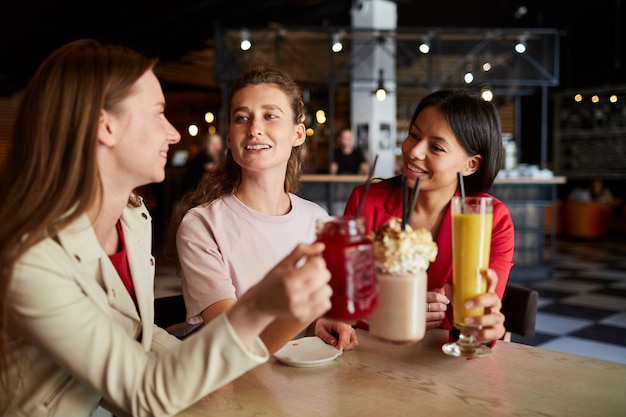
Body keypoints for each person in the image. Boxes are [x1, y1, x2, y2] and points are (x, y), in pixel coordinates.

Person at [0, 39, 334, 417]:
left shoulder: (132, 219)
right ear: (104, 127)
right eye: (158, 113)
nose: (173, 134)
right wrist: (261, 305)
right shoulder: (31, 262)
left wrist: (220, 373)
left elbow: (140, 340)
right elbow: (144, 394)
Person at [167, 65, 358, 354]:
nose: (254, 128)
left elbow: (319, 313)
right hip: (232, 387)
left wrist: (323, 322)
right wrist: (306, 315)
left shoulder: (317, 219)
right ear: (230, 137)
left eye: (270, 116)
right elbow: (232, 343)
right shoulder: (202, 224)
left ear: (297, 134)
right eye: (242, 118)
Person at [344, 89, 514, 346]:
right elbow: (343, 300)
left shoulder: (490, 219)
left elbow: (475, 319)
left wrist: (484, 323)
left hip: (446, 362)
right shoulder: (366, 202)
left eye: (436, 147)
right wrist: (394, 309)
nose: (413, 151)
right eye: (413, 135)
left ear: (471, 165)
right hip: (371, 353)